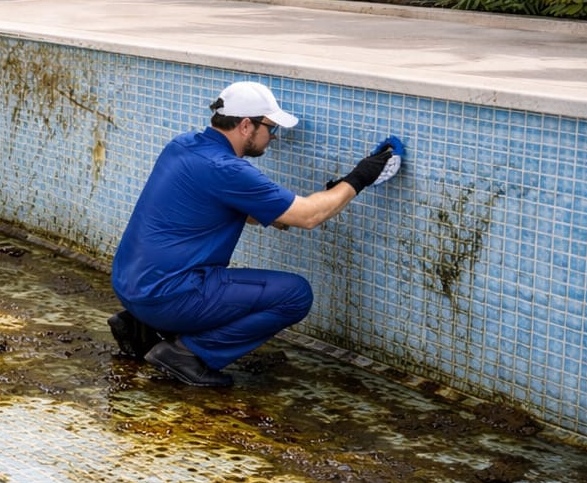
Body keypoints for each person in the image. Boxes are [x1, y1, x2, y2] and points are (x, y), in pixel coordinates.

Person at [108, 80, 403, 388]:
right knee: (295, 294)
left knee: (196, 278)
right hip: (166, 297)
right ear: (246, 125)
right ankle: (187, 353)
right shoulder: (227, 170)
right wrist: (361, 176)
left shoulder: (182, 146)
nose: (273, 137)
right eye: (270, 128)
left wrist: (312, 202)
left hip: (131, 286)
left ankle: (143, 327)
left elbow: (244, 209)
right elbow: (309, 216)